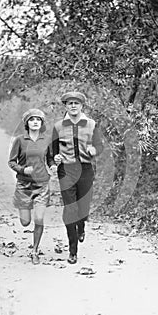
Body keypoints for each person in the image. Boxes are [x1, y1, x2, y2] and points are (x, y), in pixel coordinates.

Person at [52, 91, 104, 264]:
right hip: (66, 170)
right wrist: (55, 159)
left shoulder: (91, 124)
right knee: (70, 209)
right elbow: (51, 151)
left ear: (82, 105)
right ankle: (72, 250)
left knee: (83, 207)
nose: (73, 106)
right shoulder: (58, 126)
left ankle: (82, 225)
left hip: (85, 169)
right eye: (70, 103)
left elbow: (99, 146)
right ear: (65, 106)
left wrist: (93, 150)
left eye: (76, 103)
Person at [8, 108, 56, 265]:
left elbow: (50, 159)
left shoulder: (46, 140)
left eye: (38, 120)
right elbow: (11, 162)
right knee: (25, 222)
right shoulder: (20, 140)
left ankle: (35, 250)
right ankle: (24, 208)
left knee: (39, 218)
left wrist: (54, 165)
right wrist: (23, 170)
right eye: (32, 119)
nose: (35, 122)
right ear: (27, 123)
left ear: (42, 123)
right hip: (24, 185)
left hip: (42, 184)